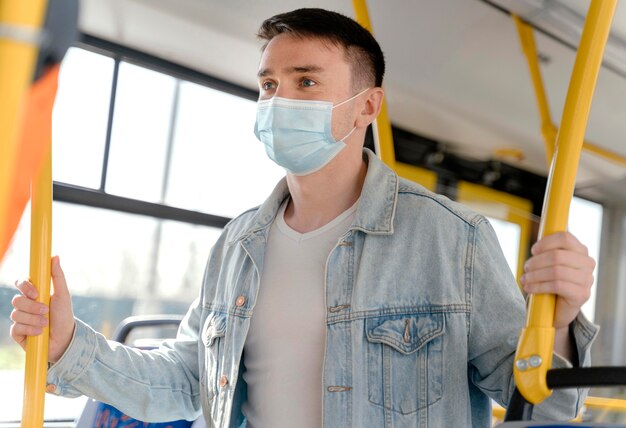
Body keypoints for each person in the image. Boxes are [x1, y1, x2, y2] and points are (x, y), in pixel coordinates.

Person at [10, 8, 598, 428]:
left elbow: (543, 401)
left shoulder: (453, 240)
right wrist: (68, 345)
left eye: (306, 82)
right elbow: (187, 382)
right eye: (268, 84)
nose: (277, 102)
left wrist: (563, 319)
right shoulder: (237, 244)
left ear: (366, 105)